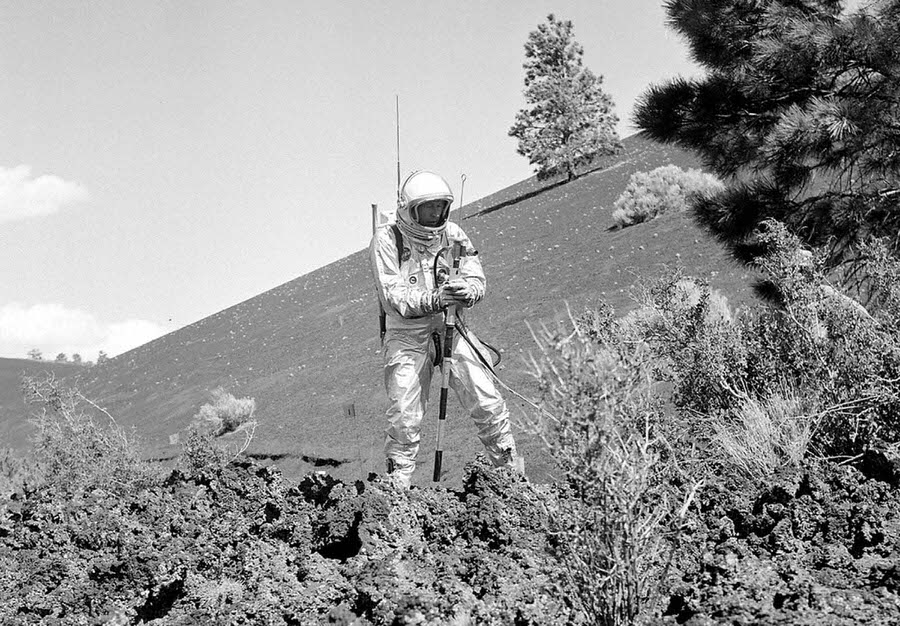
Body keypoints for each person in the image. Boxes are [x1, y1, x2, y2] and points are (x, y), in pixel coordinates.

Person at [369, 170, 523, 488]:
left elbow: (475, 276)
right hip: (407, 336)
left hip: (452, 327)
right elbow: (393, 296)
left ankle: (510, 477)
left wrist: (469, 291)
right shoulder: (387, 239)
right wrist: (436, 298)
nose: (436, 214)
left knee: (487, 400)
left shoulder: (452, 234)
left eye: (440, 206)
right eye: (428, 208)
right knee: (405, 414)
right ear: (410, 209)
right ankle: (396, 487)